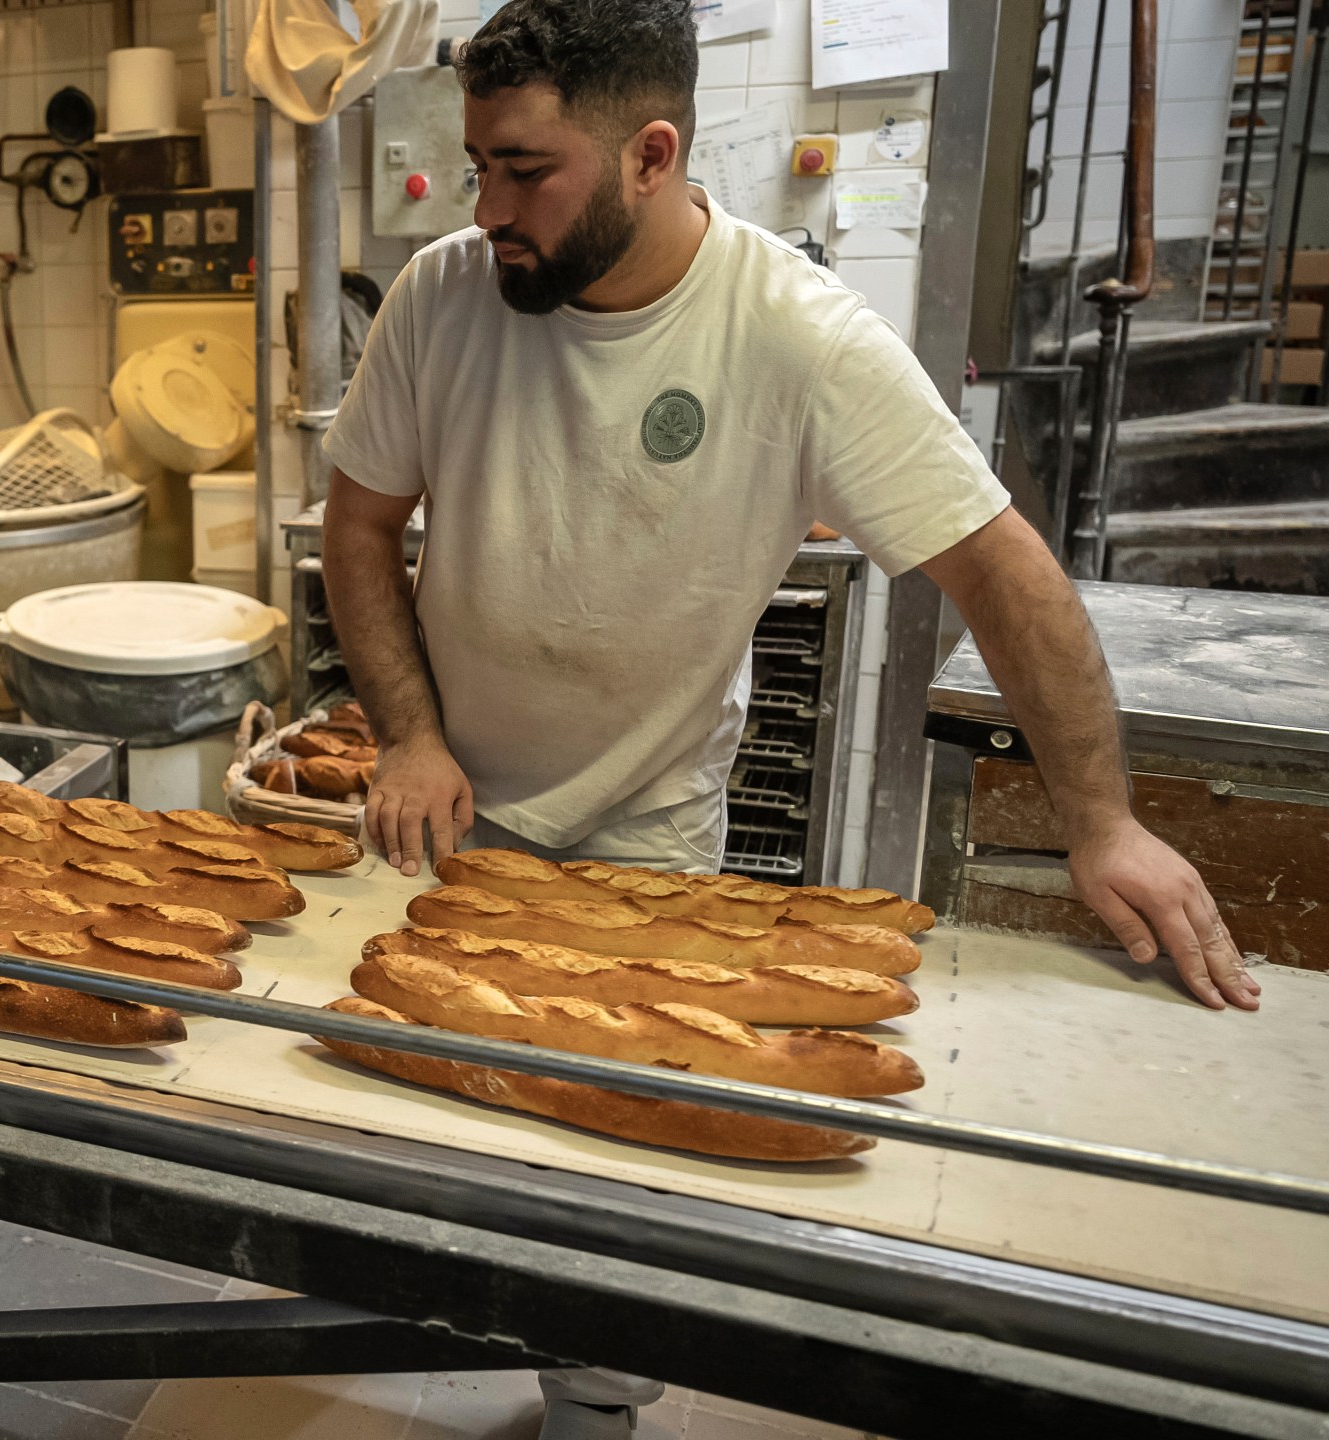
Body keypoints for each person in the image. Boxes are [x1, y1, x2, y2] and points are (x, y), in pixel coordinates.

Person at [318, 0, 1260, 1433]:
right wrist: (409, 730)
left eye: (525, 172)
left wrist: (1103, 820)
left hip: (651, 831)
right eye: (477, 170)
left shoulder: (796, 331)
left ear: (650, 154)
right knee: (415, 1117)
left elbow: (1003, 573)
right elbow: (361, 523)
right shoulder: (441, 297)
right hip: (446, 815)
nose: (487, 208)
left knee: (624, 1172)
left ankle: (591, 1401)